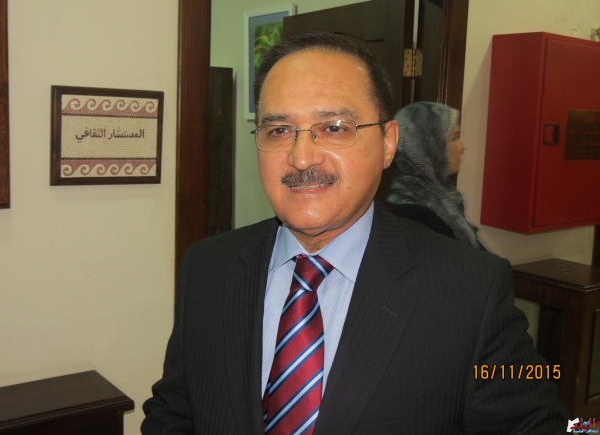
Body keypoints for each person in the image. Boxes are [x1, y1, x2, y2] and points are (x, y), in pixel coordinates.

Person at [141, 33, 569, 434]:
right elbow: (174, 414)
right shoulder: (207, 267)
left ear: (388, 143)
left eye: (334, 127)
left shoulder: (471, 287)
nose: (301, 157)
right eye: (279, 130)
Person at [387, 101, 484, 249]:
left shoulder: (441, 198)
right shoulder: (418, 217)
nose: (463, 146)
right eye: (455, 138)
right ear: (429, 147)